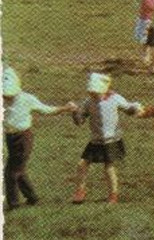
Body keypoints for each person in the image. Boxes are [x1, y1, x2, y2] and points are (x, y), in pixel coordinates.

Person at [4, 67, 72, 210]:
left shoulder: (27, 99)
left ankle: (14, 205)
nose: (6, 97)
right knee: (19, 170)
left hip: (23, 138)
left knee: (11, 173)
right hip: (10, 137)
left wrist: (65, 108)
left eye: (9, 95)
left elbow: (46, 110)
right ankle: (33, 198)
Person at [71, 72, 144, 204]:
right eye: (91, 92)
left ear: (103, 90)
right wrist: (75, 112)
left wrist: (136, 108)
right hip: (96, 140)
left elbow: (128, 108)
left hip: (111, 140)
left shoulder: (115, 98)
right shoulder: (89, 102)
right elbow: (80, 121)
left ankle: (113, 194)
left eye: (95, 92)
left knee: (108, 167)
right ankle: (80, 191)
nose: (92, 95)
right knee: (82, 164)